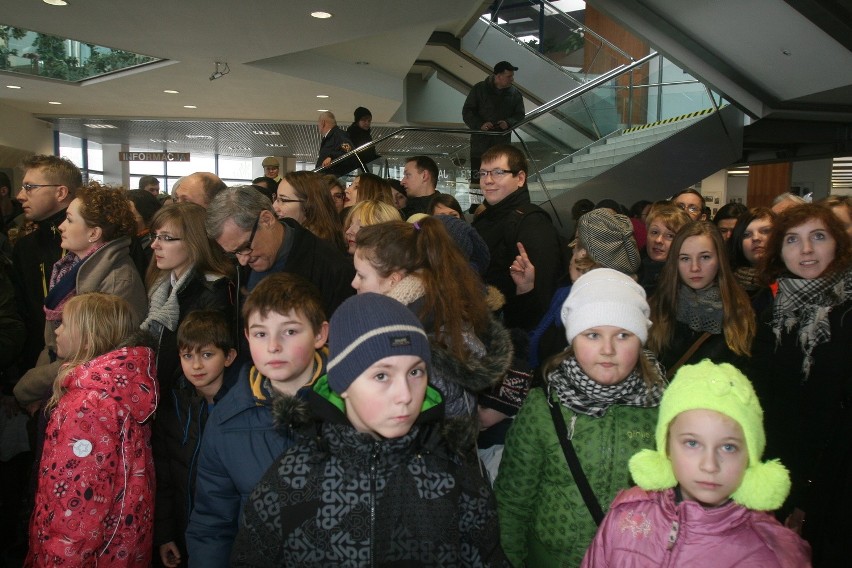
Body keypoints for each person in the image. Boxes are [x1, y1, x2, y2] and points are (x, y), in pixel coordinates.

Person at [230, 293, 506, 567]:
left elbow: (487, 558)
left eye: (415, 372)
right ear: (343, 385)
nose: (405, 395)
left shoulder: (453, 468)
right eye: (381, 375)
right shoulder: (291, 479)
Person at [495, 268, 665, 567]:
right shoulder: (543, 408)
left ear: (640, 341)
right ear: (574, 338)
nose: (608, 349)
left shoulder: (661, 409)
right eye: (593, 334)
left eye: (623, 335)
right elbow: (512, 502)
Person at [583, 360, 811, 567]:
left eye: (728, 447)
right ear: (667, 447)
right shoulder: (626, 515)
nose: (710, 465)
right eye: (692, 443)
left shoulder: (771, 556)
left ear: (750, 457)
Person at [185, 274, 329, 567]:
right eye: (261, 334)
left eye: (289, 331)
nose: (273, 346)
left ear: (319, 334)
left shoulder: (359, 405)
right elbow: (213, 524)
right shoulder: (226, 420)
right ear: (248, 337)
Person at [749, 204, 851, 564]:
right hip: (780, 472)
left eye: (817, 237)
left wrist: (808, 496)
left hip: (835, 483)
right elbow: (765, 399)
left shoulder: (847, 311)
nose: (806, 250)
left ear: (837, 243)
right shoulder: (771, 311)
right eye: (793, 240)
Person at [26, 292, 157, 566]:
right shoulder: (118, 391)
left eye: (64, 324)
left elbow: (77, 503)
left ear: (88, 336)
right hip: (120, 547)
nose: (57, 331)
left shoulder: (88, 405)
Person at [352, 217, 512, 418]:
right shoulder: (431, 311)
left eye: (361, 275)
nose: (354, 283)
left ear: (394, 280)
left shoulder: (413, 340)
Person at [14, 182, 148, 410]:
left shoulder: (117, 282)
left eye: (69, 219)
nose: (61, 226)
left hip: (85, 403)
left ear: (94, 233)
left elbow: (94, 357)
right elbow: (53, 344)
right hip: (61, 389)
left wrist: (29, 385)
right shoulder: (74, 268)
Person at [153, 310, 237, 568]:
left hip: (230, 538)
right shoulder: (172, 407)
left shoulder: (240, 409)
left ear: (229, 357)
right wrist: (165, 535)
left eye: (207, 355)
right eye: (188, 356)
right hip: (182, 531)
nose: (196, 365)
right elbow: (164, 478)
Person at [206, 185, 354, 315]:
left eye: (245, 247)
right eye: (233, 253)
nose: (242, 261)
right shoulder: (236, 270)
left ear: (267, 219)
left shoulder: (333, 269)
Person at [523, 207, 642, 369]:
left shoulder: (597, 316)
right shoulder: (567, 294)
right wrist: (526, 289)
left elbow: (551, 358)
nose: (572, 248)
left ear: (585, 257)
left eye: (577, 243)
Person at [141, 202, 235, 392]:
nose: (154, 245)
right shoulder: (162, 284)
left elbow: (205, 357)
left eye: (166, 238)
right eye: (155, 236)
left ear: (194, 242)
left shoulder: (213, 289)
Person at [471, 144, 564, 329]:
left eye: (497, 172)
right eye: (483, 173)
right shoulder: (486, 218)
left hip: (514, 333)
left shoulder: (531, 223)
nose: (487, 180)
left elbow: (542, 294)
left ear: (520, 178)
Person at [648, 221, 754, 373]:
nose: (695, 267)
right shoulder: (659, 305)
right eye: (685, 258)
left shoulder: (740, 311)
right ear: (675, 262)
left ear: (720, 260)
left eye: (704, 257)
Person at [11, 155, 79, 370]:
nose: (20, 196)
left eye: (30, 187)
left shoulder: (97, 244)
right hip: (36, 364)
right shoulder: (26, 247)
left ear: (61, 192)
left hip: (83, 364)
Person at [463, 61, 525, 189]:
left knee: (500, 179)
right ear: (498, 76)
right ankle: (476, 207)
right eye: (509, 76)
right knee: (477, 180)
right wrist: (480, 124)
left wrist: (508, 122)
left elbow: (520, 115)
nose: (512, 79)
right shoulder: (479, 89)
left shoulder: (514, 94)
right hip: (479, 146)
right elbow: (467, 111)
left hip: (502, 146)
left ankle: (499, 206)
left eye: (512, 76)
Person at [273, 171, 346, 252]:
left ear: (309, 205)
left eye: (283, 200)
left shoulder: (316, 249)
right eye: (277, 199)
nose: (274, 207)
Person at [728, 207, 776, 311]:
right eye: (746, 234)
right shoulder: (726, 284)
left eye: (765, 231)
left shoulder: (789, 282)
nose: (756, 238)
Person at [638, 202, 691, 297]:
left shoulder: (685, 284)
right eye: (654, 232)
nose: (658, 240)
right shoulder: (635, 268)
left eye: (670, 236)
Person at [314, 111, 354, 176]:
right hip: (325, 178)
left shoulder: (339, 135)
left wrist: (332, 157)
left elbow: (349, 151)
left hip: (331, 178)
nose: (318, 126)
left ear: (323, 123)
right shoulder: (329, 138)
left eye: (318, 124)